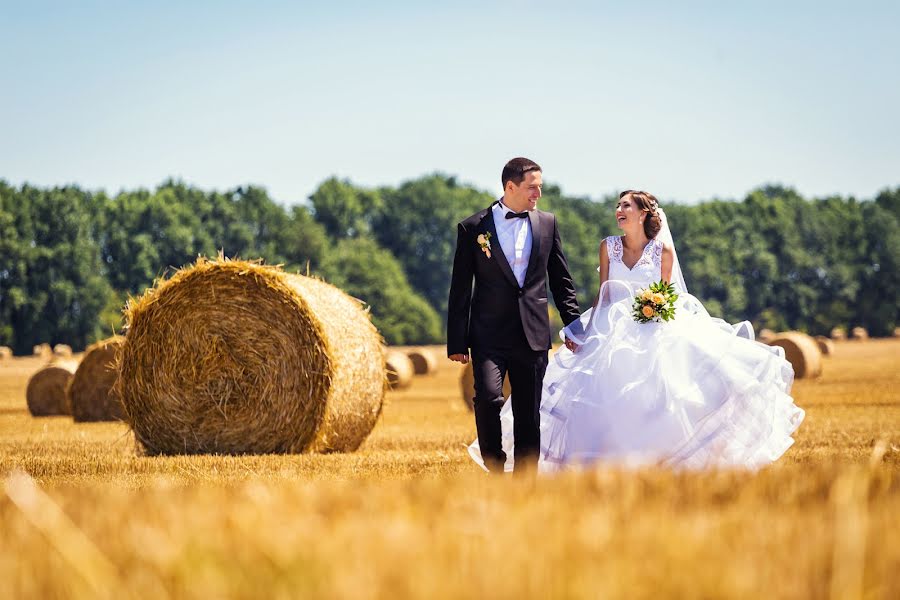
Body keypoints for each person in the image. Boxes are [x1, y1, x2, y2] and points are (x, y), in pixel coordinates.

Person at [469, 190, 804, 472]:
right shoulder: (608, 246)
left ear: (644, 213)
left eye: (626, 206)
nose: (619, 211)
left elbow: (669, 294)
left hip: (653, 329)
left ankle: (659, 460)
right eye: (618, 206)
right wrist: (583, 332)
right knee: (603, 399)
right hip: (610, 330)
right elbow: (603, 296)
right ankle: (609, 464)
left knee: (658, 397)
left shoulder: (663, 251)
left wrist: (655, 310)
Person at [447, 157, 582, 474]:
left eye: (540, 188)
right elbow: (460, 289)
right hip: (488, 335)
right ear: (510, 186)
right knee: (489, 398)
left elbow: (561, 282)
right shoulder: (474, 228)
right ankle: (494, 464)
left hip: (533, 333)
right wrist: (456, 341)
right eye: (532, 188)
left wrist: (574, 327)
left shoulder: (547, 223)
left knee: (528, 412)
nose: (538, 194)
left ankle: (525, 479)